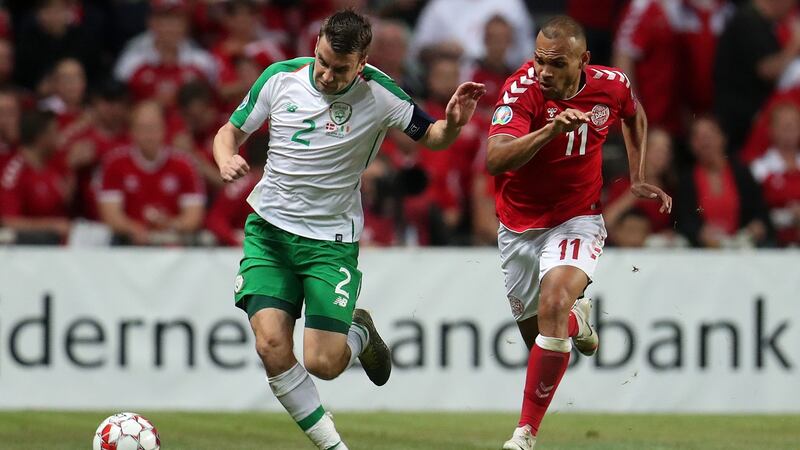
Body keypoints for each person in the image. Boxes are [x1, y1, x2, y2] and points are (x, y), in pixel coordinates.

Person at [212, 9, 484, 450]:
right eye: (322, 60)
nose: (327, 74)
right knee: (271, 345)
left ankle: (359, 333)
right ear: (316, 44)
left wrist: (453, 122)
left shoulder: (380, 94)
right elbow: (229, 131)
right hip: (269, 231)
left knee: (323, 362)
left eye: (341, 68)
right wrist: (226, 158)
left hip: (329, 243)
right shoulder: (280, 78)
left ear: (362, 63)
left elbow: (432, 137)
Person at [485, 16, 671, 449]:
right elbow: (495, 160)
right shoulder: (522, 91)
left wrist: (637, 175)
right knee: (544, 337)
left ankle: (524, 434)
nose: (544, 71)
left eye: (556, 63)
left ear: (583, 60)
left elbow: (634, 112)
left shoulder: (611, 84)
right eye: (538, 61)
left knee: (552, 301)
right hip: (519, 227)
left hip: (578, 217)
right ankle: (576, 320)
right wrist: (551, 129)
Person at [98, 101, 206, 245]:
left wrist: (170, 225)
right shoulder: (114, 163)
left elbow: (193, 216)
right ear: (132, 131)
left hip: (173, 242)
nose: (148, 135)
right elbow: (111, 215)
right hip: (128, 242)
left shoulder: (184, 164)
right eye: (142, 128)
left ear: (164, 129)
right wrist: (134, 229)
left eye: (153, 128)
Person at [676, 116, 770, 247]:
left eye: (710, 135)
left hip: (742, 249)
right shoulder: (686, 180)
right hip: (701, 253)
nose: (705, 141)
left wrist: (757, 226)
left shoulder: (742, 174)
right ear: (692, 145)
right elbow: (682, 219)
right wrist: (699, 232)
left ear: (723, 138)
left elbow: (761, 212)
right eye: (698, 137)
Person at [0, 109, 72, 244]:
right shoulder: (14, 172)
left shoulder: (53, 167)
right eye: (55, 132)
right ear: (41, 136)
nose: (59, 137)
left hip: (60, 249)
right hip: (29, 252)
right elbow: (8, 222)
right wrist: (51, 226)